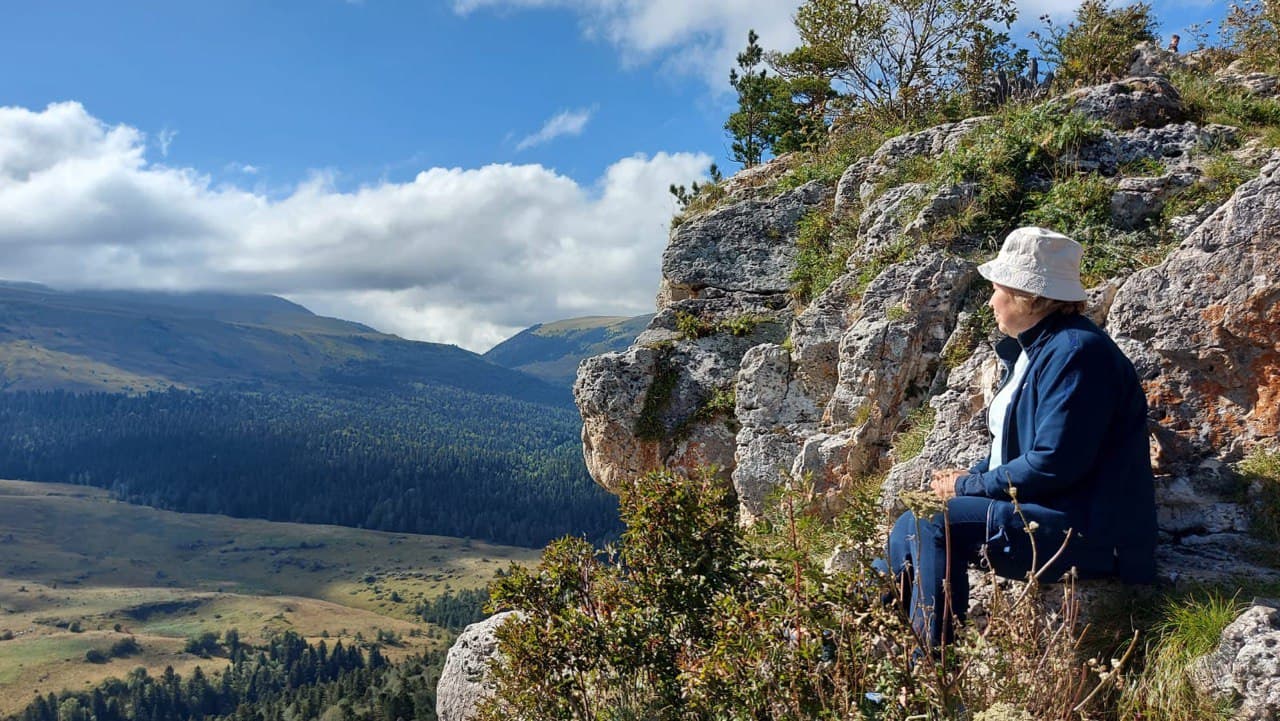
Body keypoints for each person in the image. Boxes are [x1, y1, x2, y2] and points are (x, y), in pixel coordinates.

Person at [882, 226, 1156, 649]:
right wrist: (968, 476)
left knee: (932, 524)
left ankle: (932, 668)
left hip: (1088, 533)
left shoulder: (1078, 353)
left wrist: (967, 487)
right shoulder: (1039, 351)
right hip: (1044, 513)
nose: (991, 301)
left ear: (1027, 296)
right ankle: (865, 637)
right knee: (911, 519)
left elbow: (1055, 462)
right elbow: (1014, 448)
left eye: (997, 290)